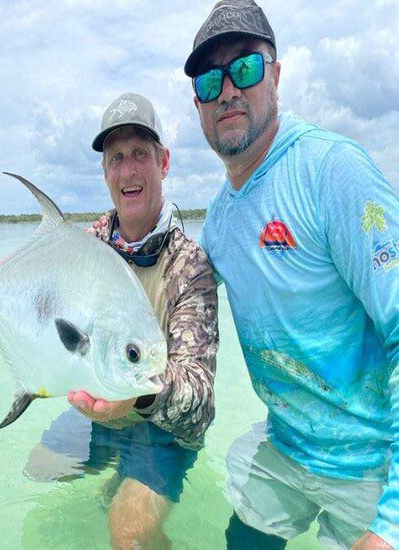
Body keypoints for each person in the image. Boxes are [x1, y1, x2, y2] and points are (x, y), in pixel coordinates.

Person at [0, 92, 219, 549]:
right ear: (104, 172)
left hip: (161, 432)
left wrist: (136, 398)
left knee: (129, 537)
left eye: (141, 153)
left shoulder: (190, 266)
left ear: (165, 162)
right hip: (99, 418)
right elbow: (44, 317)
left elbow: (201, 403)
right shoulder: (85, 244)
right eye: (116, 157)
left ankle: (134, 488)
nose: (128, 169)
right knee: (39, 471)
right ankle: (119, 481)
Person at [183, 1, 398, 549]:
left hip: (373, 465)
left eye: (245, 68)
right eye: (210, 80)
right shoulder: (219, 219)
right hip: (285, 450)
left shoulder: (334, 171)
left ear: (275, 75)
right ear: (198, 104)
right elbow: (171, 303)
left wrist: (391, 521)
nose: (228, 89)